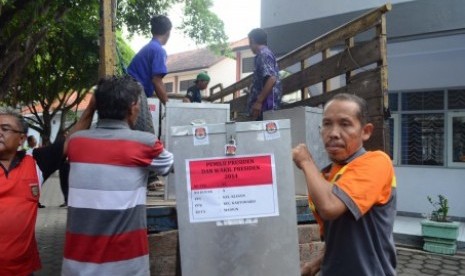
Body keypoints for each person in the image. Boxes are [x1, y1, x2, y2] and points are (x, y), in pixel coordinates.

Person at [62, 76, 174, 275]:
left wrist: (90, 109)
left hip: (77, 267)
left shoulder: (75, 143)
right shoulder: (145, 144)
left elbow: (65, 146)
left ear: (97, 105)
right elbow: (172, 165)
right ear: (133, 107)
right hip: (126, 267)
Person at [292, 93, 397, 276]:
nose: (333, 133)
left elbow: (330, 207)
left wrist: (306, 161)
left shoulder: (377, 162)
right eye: (327, 124)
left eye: (345, 124)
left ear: (366, 131)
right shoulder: (324, 176)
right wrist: (314, 265)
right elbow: (337, 238)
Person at [0, 102, 94, 275]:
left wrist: (92, 106)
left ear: (21, 138)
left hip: (23, 269)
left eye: (5, 128)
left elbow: (72, 140)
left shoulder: (34, 163)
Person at [247, 28, 282, 120]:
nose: (249, 46)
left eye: (249, 42)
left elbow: (271, 79)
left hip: (265, 107)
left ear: (252, 40)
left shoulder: (264, 54)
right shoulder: (264, 54)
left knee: (263, 133)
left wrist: (259, 102)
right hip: (264, 106)